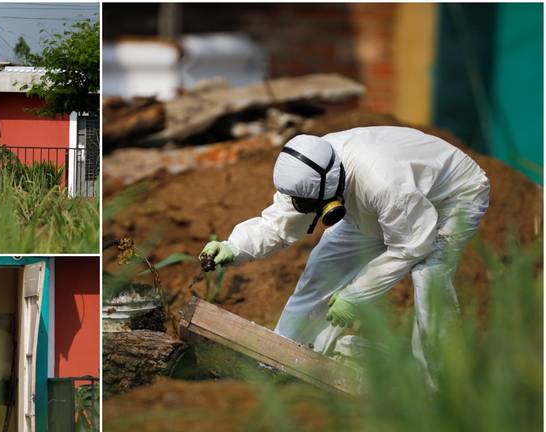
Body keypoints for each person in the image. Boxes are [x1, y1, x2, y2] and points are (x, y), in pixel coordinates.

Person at [200, 127, 489, 377]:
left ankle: (439, 386)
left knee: (429, 276)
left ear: (331, 188)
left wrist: (356, 295)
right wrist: (234, 246)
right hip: (376, 205)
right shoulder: (309, 169)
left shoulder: (384, 184)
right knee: (321, 270)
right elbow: (278, 224)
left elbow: (411, 245)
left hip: (452, 196)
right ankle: (283, 356)